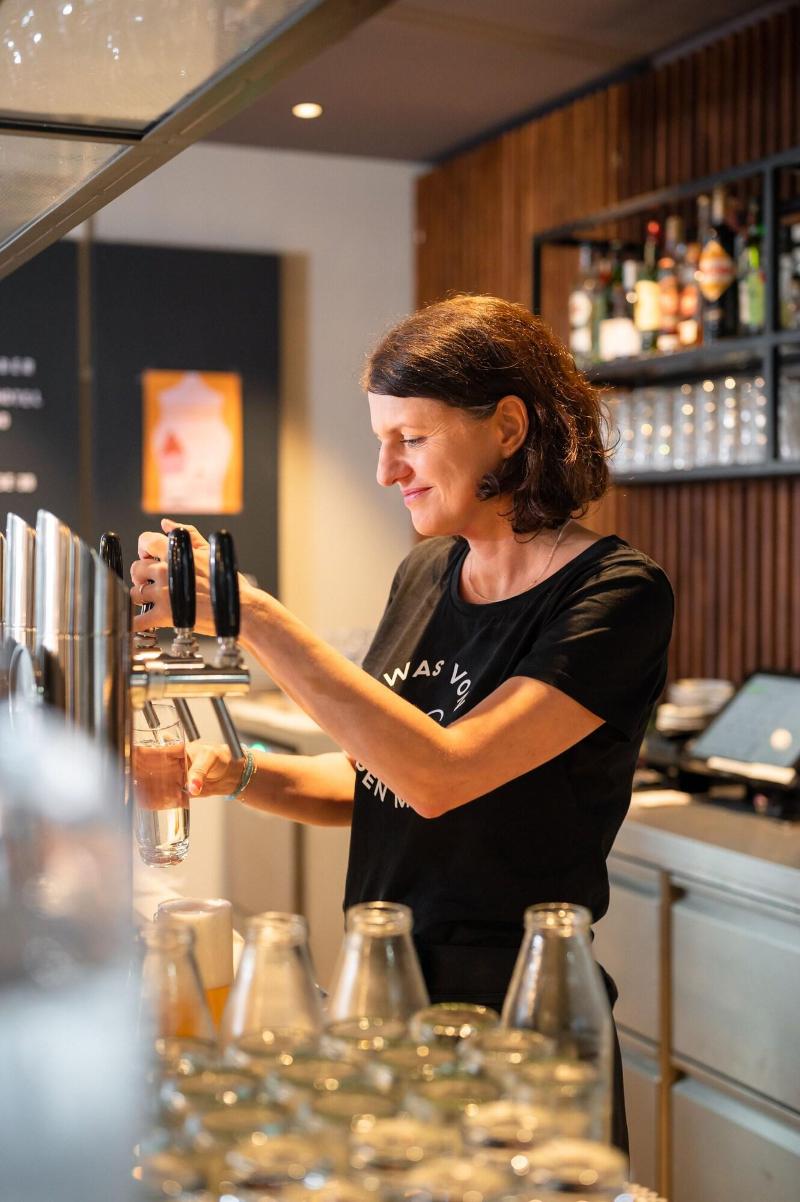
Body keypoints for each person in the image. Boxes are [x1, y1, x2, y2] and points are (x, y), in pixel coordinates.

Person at [131, 294, 674, 1151]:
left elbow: (441, 774)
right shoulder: (426, 571)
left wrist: (254, 616)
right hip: (383, 984)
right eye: (382, 441)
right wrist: (232, 770)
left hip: (517, 1014)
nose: (387, 471)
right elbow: (379, 777)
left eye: (410, 439)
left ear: (506, 426)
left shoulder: (613, 594)